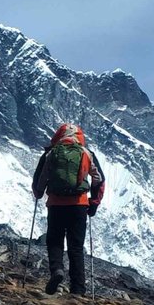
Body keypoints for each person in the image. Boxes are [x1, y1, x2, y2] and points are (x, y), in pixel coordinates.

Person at [30, 122, 105, 295]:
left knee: (55, 241)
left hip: (56, 205)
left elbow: (39, 179)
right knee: (76, 247)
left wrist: (39, 193)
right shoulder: (86, 153)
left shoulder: (51, 153)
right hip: (79, 205)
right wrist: (94, 202)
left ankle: (57, 270)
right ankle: (78, 289)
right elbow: (99, 179)